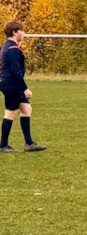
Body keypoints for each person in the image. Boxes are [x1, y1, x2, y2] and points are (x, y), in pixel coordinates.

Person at [0, 20, 46, 153]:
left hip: (10, 83)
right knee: (10, 113)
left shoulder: (7, 46)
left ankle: (29, 143)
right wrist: (25, 88)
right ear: (15, 32)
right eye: (21, 30)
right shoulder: (12, 49)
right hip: (11, 84)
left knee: (26, 108)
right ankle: (3, 145)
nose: (24, 33)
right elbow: (15, 72)